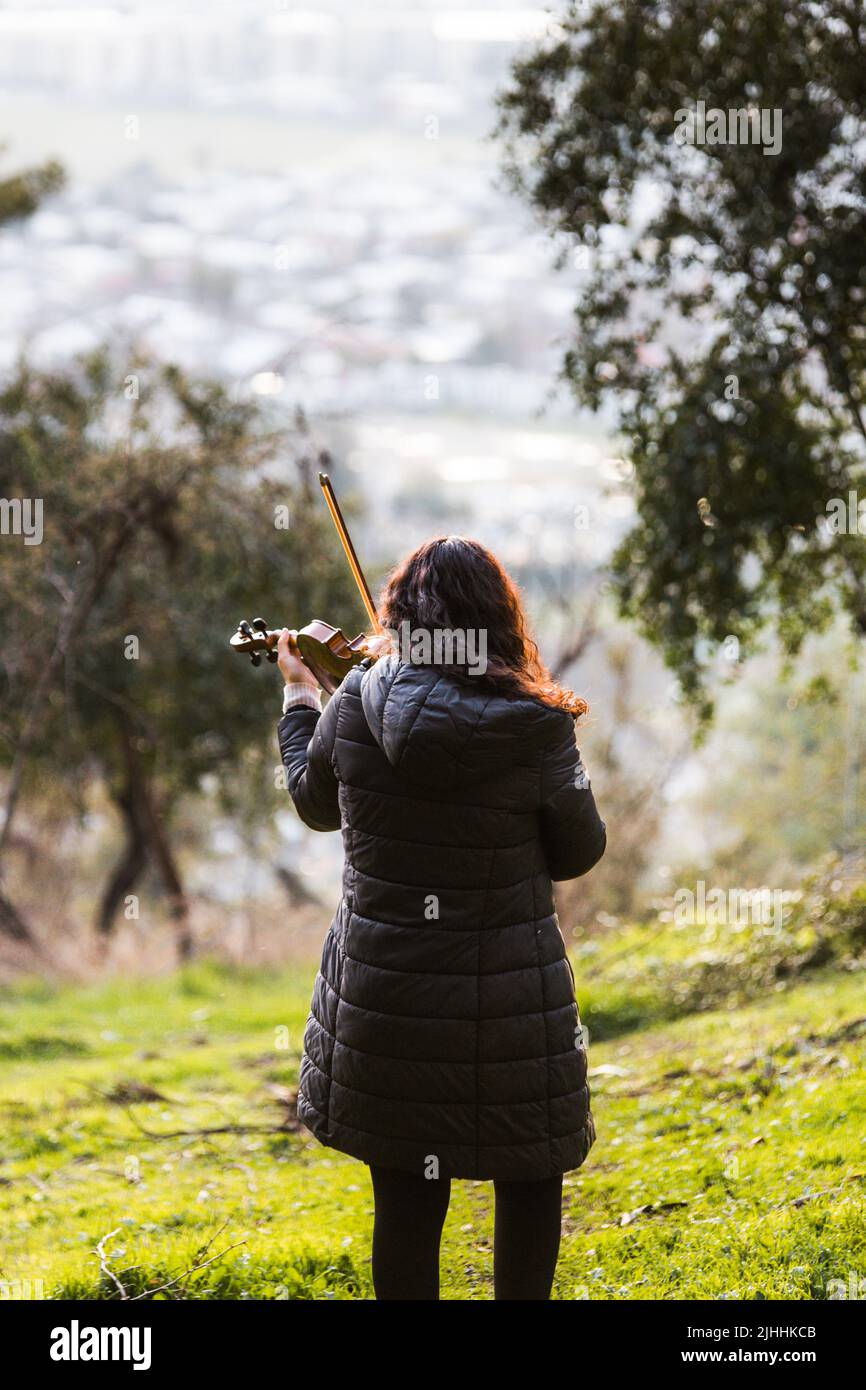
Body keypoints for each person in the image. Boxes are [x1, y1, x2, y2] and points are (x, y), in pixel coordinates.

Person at [276, 536, 606, 1300]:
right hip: (512, 1005)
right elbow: (577, 851)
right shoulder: (536, 725)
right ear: (498, 619)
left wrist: (300, 696)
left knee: (407, 1200)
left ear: (401, 614)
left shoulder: (356, 699)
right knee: (529, 1178)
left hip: (389, 1006)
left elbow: (313, 802)